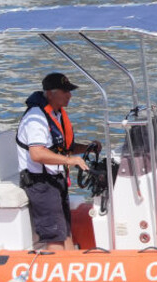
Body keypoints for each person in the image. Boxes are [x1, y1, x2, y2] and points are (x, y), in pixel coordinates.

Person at [16, 73, 101, 251]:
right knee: (55, 236)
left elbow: (64, 147)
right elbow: (37, 154)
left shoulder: (57, 115)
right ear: (50, 93)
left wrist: (87, 149)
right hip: (40, 183)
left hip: (55, 180)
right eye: (65, 91)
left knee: (65, 232)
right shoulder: (36, 118)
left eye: (69, 91)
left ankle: (73, 271)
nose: (69, 95)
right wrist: (70, 160)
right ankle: (58, 272)